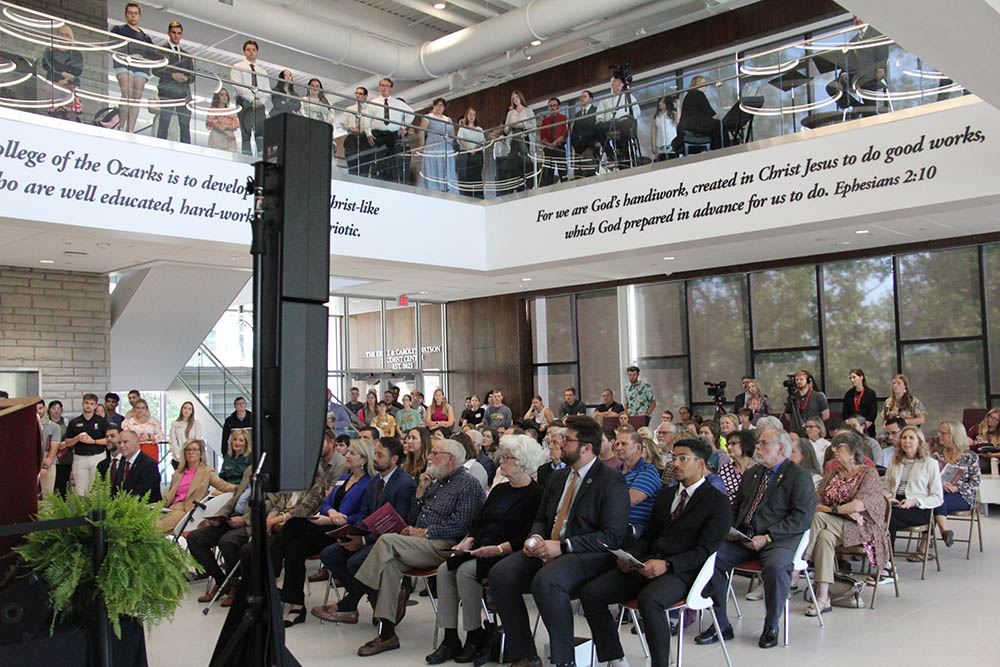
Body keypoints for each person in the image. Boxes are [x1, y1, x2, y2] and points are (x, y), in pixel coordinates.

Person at [488, 415, 630, 667]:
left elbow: (612, 536)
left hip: (589, 554)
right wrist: (535, 537)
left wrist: (564, 546)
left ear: (586, 447)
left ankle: (564, 660)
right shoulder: (557, 477)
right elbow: (542, 517)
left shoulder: (610, 480)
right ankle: (524, 654)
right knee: (501, 573)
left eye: (566, 439)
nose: (559, 444)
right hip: (550, 548)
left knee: (547, 580)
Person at [580, 438, 730, 667]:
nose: (675, 464)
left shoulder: (717, 501)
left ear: (700, 464)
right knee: (592, 593)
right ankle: (614, 657)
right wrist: (631, 557)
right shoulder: (666, 495)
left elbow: (705, 550)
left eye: (683, 458)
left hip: (685, 570)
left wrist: (668, 565)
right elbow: (649, 536)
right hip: (650, 563)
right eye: (674, 458)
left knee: (650, 601)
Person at [352, 439, 485, 656]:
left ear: (450, 459)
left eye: (435, 453)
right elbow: (413, 519)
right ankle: (387, 634)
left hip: (446, 545)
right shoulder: (436, 482)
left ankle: (354, 592)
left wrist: (426, 533)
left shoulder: (468, 484)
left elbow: (462, 525)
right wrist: (421, 491)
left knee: (386, 540)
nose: (429, 457)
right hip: (421, 544)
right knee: (390, 564)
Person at [428, 434, 546, 663]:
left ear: (523, 464)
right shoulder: (501, 489)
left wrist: (498, 549)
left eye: (507, 458)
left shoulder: (536, 494)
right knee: (444, 570)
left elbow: (528, 535)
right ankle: (450, 637)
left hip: (509, 553)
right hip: (482, 547)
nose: (501, 461)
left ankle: (474, 635)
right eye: (502, 457)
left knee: (465, 571)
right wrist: (469, 540)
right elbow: (479, 521)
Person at [697, 427, 816, 650]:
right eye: (758, 443)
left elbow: (801, 519)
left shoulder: (799, 476)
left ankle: (771, 624)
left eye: (764, 443)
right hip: (745, 536)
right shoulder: (753, 473)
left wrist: (768, 537)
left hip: (777, 539)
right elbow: (736, 508)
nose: (758, 447)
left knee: (776, 568)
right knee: (711, 557)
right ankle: (721, 623)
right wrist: (729, 529)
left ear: (780, 448)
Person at [311, 437, 416, 623]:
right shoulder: (375, 482)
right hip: (369, 535)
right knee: (330, 555)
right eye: (374, 453)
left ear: (394, 459)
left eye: (380, 455)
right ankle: (377, 597)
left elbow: (397, 524)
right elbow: (366, 514)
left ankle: (349, 606)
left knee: (355, 562)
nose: (375, 458)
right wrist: (350, 533)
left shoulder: (404, 484)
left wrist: (364, 541)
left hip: (391, 541)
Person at [272, 438, 374, 627]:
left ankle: (272, 571)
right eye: (348, 452)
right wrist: (331, 513)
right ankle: (296, 606)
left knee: (293, 524)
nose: (347, 455)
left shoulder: (369, 483)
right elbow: (326, 502)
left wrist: (340, 518)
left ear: (364, 459)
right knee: (295, 548)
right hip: (328, 524)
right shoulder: (344, 478)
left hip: (344, 530)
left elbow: (364, 514)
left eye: (352, 453)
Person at [805, 431, 889, 615]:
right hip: (832, 524)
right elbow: (817, 503)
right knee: (825, 537)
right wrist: (838, 511)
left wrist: (832, 510)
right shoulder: (832, 474)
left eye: (839, 447)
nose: (834, 450)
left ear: (853, 452)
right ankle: (823, 597)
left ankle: (800, 564)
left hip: (861, 527)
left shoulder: (869, 474)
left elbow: (858, 505)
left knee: (819, 519)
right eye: (833, 446)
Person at [188, 464, 254, 604]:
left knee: (227, 541)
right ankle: (222, 581)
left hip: (251, 523)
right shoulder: (249, 469)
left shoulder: (274, 471)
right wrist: (220, 516)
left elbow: (271, 504)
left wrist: (244, 519)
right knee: (195, 538)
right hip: (232, 517)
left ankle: (236, 586)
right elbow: (235, 498)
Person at [157, 439, 237, 532]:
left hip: (187, 510)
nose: (191, 452)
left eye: (194, 450)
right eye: (188, 450)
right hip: (170, 507)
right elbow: (170, 495)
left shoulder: (206, 472)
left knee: (156, 526)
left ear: (200, 453)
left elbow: (222, 485)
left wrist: (238, 488)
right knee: (143, 516)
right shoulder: (178, 473)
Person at [884, 425, 943, 545]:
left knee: (889, 518)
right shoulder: (894, 461)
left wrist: (915, 501)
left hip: (919, 507)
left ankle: (887, 559)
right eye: (904, 438)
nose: (907, 441)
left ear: (919, 442)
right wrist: (889, 498)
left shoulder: (930, 463)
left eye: (911, 438)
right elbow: (886, 487)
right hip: (896, 503)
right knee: (874, 513)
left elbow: (937, 497)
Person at [929, 420, 980, 551]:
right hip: (940, 493)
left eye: (943, 433)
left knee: (935, 501)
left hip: (962, 496)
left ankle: (924, 545)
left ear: (954, 435)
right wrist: (939, 483)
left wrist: (958, 488)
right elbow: (927, 477)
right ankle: (945, 530)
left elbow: (975, 482)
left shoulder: (970, 456)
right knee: (936, 499)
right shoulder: (937, 455)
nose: (939, 436)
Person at [110, 3, 154, 133]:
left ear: (139, 16)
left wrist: (142, 58)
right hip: (124, 64)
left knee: (136, 98)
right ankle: (121, 125)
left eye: (135, 13)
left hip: (141, 67)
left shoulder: (146, 37)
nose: (133, 15)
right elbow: (114, 45)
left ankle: (130, 129)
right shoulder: (118, 29)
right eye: (130, 13)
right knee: (126, 94)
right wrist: (128, 55)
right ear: (126, 15)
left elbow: (153, 54)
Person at [366, 77, 415, 183]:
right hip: (378, 134)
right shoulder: (373, 103)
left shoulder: (398, 103)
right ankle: (377, 182)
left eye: (387, 85)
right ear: (379, 88)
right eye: (382, 85)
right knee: (378, 161)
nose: (384, 88)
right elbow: (367, 120)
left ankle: (391, 183)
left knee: (392, 163)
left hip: (393, 135)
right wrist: (368, 134)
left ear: (391, 88)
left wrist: (403, 126)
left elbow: (411, 113)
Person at [616, 429, 663, 536]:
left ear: (638, 448)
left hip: (635, 527)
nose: (618, 448)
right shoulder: (615, 472)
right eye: (617, 444)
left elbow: (630, 500)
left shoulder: (648, 471)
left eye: (624, 444)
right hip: (613, 523)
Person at [229, 39, 270, 155]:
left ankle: (261, 158)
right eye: (248, 50)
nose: (251, 52)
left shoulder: (262, 71)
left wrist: (260, 101)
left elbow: (267, 90)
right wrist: (252, 99)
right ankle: (246, 157)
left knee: (260, 133)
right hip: (244, 102)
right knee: (245, 133)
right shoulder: (237, 67)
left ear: (257, 52)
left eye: (253, 50)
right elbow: (238, 86)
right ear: (244, 52)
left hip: (259, 104)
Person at [96, 430, 161, 501]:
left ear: (136, 442)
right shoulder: (122, 462)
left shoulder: (149, 464)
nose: (121, 446)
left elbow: (142, 494)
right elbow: (115, 491)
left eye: (125, 442)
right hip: (124, 507)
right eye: (119, 443)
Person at [63, 393, 109, 494]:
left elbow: (109, 440)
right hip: (80, 458)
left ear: (96, 406)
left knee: (96, 490)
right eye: (86, 403)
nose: (88, 406)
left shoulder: (102, 422)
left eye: (92, 404)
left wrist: (93, 441)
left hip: (98, 457)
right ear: (82, 404)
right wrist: (77, 438)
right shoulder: (74, 422)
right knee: (80, 490)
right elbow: (67, 442)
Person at [155, 21, 193, 143]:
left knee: (185, 125)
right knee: (164, 122)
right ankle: (160, 146)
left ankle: (187, 150)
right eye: (174, 33)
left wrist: (186, 78)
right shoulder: (161, 50)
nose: (176, 36)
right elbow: (155, 69)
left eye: (179, 33)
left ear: (182, 35)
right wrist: (172, 75)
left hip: (183, 92)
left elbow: (193, 76)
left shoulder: (187, 55)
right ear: (168, 33)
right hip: (168, 91)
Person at [594, 75, 641, 168]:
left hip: (623, 121)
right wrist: (600, 119)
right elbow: (599, 114)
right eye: (616, 81)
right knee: (598, 127)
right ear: (612, 84)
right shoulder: (605, 99)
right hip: (610, 122)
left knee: (625, 124)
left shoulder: (628, 96)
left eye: (620, 81)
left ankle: (623, 152)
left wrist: (628, 117)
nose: (619, 83)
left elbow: (637, 111)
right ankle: (610, 154)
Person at [41, 24, 84, 122]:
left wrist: (67, 79)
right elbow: (47, 65)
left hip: (70, 85)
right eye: (61, 34)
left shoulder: (76, 53)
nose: (63, 37)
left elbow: (77, 69)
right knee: (57, 114)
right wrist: (63, 75)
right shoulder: (50, 50)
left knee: (70, 115)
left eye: (66, 35)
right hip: (54, 84)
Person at [495, 90, 536, 191]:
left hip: (524, 137)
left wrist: (523, 125)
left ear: (520, 97)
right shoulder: (510, 113)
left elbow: (533, 126)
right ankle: (518, 185)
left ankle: (528, 184)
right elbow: (505, 129)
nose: (515, 100)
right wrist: (510, 127)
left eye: (516, 97)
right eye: (513, 98)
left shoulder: (528, 111)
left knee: (525, 160)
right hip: (513, 138)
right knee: (514, 162)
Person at [418, 97, 458, 193]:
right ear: (434, 106)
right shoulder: (428, 117)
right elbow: (421, 132)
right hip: (432, 147)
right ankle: (432, 188)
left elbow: (453, 134)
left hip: (446, 147)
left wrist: (450, 143)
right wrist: (422, 146)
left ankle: (448, 188)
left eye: (442, 105)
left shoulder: (448, 119)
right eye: (438, 105)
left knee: (446, 167)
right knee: (433, 167)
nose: (440, 107)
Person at [672, 75, 721, 153]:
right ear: (697, 84)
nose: (706, 85)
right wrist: (720, 121)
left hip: (686, 125)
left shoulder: (689, 95)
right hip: (694, 125)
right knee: (719, 125)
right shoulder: (698, 94)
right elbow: (710, 113)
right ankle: (721, 151)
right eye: (703, 83)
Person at [339, 85, 371, 176]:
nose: (357, 96)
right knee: (352, 167)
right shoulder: (350, 109)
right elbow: (343, 124)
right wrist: (350, 128)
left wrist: (363, 130)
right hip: (352, 138)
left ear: (365, 96)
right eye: (356, 93)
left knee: (364, 168)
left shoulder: (370, 110)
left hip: (365, 140)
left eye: (360, 94)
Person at [717, 430, 756, 502]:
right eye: (727, 444)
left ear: (746, 444)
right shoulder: (725, 469)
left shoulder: (758, 471)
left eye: (733, 444)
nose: (729, 447)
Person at [456, 107, 486, 198]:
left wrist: (475, 148)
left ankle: (479, 197)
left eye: (473, 115)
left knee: (477, 177)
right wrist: (468, 149)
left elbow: (482, 141)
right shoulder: (462, 129)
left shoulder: (479, 129)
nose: (472, 116)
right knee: (467, 178)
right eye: (470, 114)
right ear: (467, 116)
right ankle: (468, 197)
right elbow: (460, 139)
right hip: (466, 155)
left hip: (477, 155)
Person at [122, 398, 163, 463]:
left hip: (150, 449)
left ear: (146, 409)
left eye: (143, 408)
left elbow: (160, 436)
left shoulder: (154, 421)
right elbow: (124, 438)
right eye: (138, 408)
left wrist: (150, 437)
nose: (140, 410)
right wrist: (136, 439)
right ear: (134, 409)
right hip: (134, 449)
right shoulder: (128, 422)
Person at [570, 90, 600, 178]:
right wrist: (575, 144)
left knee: (592, 173)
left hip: (592, 147)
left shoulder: (596, 111)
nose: (582, 99)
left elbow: (598, 127)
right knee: (580, 176)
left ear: (590, 99)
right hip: (579, 149)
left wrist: (598, 142)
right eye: (581, 97)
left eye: (584, 96)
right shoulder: (578, 114)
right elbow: (575, 131)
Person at [538, 98, 568, 186]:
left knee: (563, 172)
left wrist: (555, 143)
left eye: (554, 105)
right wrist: (549, 144)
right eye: (550, 106)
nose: (552, 108)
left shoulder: (564, 118)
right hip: (548, 148)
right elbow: (542, 135)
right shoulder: (545, 121)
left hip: (559, 147)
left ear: (558, 107)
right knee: (548, 174)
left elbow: (565, 133)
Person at [842, 368, 878, 435]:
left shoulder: (870, 393)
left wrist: (862, 428)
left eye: (854, 377)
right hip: (852, 429)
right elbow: (845, 415)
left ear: (861, 377)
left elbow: (872, 414)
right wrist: (852, 427)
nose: (852, 380)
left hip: (868, 429)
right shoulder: (848, 394)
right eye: (850, 378)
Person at [168, 401, 202, 468]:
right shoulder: (175, 424)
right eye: (185, 408)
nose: (187, 410)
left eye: (189, 409)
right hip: (178, 459)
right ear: (181, 410)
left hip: (192, 458)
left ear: (192, 412)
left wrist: (191, 455)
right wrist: (179, 457)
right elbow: (173, 441)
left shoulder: (196, 424)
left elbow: (197, 441)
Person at [651, 96, 679, 161]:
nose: (660, 103)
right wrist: (653, 145)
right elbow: (653, 132)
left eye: (663, 102)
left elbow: (677, 121)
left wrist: (678, 105)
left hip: (671, 144)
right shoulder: (656, 117)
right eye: (660, 101)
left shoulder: (671, 113)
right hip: (660, 145)